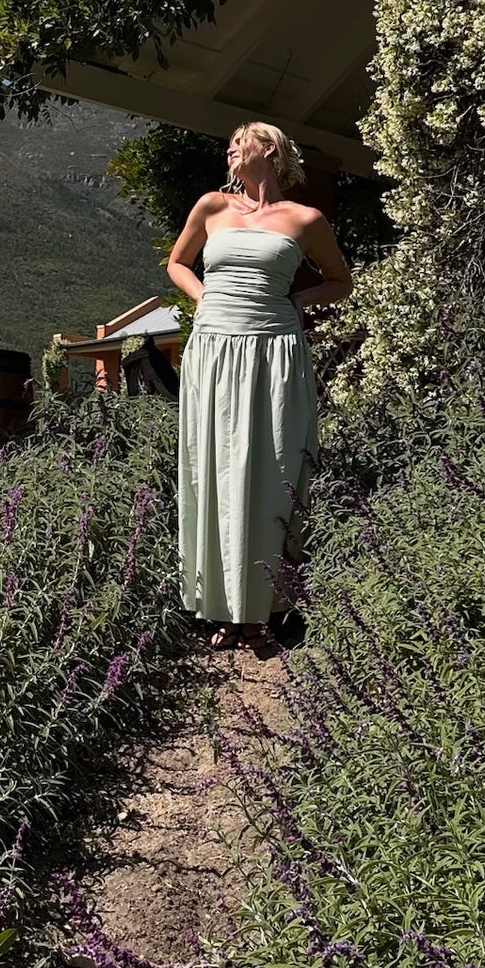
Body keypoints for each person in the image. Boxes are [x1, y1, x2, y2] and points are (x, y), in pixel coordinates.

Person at [166, 121, 352, 645]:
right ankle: (220, 604)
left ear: (268, 149)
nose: (229, 149)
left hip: (274, 351)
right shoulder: (212, 206)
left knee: (272, 467)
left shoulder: (305, 218)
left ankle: (263, 608)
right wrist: (204, 297)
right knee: (214, 466)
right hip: (214, 348)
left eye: (238, 142)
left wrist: (300, 300)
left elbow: (341, 281)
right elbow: (177, 264)